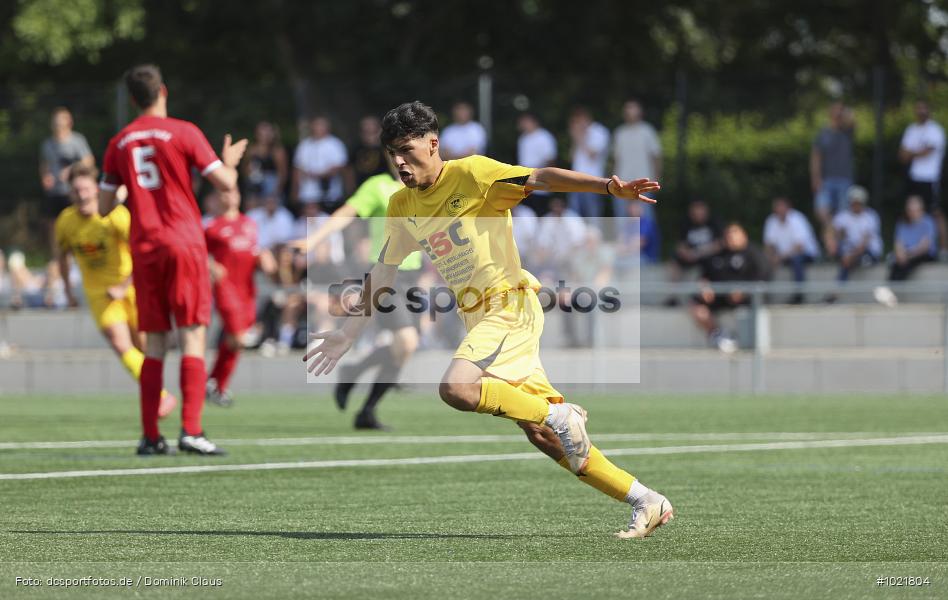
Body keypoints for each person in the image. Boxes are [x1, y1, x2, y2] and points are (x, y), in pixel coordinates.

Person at [304, 101, 673, 539]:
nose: (399, 162)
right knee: (542, 434)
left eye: (407, 149)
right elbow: (382, 272)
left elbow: (540, 177)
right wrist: (348, 332)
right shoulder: (402, 204)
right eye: (392, 153)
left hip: (509, 305)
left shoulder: (473, 174)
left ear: (433, 143)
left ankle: (562, 416)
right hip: (479, 320)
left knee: (457, 387)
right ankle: (646, 500)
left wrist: (608, 189)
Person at [99, 63, 247, 456]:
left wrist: (132, 191)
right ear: (162, 91)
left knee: (155, 344)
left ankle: (150, 436)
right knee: (192, 336)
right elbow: (226, 183)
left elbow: (102, 205)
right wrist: (229, 160)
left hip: (145, 248)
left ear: (132, 99)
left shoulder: (119, 142)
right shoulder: (184, 132)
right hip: (184, 243)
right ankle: (192, 431)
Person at [292, 158, 422, 430]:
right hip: (386, 274)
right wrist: (313, 240)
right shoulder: (379, 186)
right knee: (406, 343)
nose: (400, 158)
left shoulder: (426, 186)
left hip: (413, 275)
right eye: (394, 151)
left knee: (403, 350)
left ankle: (361, 395)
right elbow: (345, 213)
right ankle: (359, 387)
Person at [56, 163, 179, 416]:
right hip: (100, 294)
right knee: (121, 344)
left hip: (131, 287)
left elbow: (141, 254)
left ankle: (156, 395)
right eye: (77, 190)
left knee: (144, 347)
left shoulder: (116, 215)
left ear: (96, 190)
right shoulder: (66, 221)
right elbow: (61, 256)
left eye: (86, 189)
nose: (82, 195)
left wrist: (124, 286)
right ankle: (162, 397)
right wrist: (67, 290)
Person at [204, 187, 277, 407]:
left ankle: (215, 385)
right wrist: (211, 265)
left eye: (233, 192)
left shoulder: (249, 224)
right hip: (226, 288)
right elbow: (197, 252)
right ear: (217, 198)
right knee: (237, 337)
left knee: (235, 343)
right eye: (224, 193)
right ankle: (213, 384)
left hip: (247, 290)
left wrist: (264, 259)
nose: (230, 196)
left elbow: (255, 251)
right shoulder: (212, 227)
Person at [690, 223, 770, 353]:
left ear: (743, 236)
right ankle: (719, 334)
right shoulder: (718, 254)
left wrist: (744, 292)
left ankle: (747, 342)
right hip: (720, 296)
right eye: (728, 235)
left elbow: (763, 278)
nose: (730, 238)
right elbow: (704, 276)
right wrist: (705, 287)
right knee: (696, 306)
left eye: (734, 234)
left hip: (747, 298)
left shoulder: (754, 254)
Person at [39, 107, 95, 253]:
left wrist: (70, 171)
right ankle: (57, 256)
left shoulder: (77, 140)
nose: (57, 126)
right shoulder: (47, 144)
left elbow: (89, 161)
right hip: (55, 192)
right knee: (53, 225)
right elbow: (45, 164)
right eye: (55, 123)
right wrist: (45, 177)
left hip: (73, 192)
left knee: (76, 222)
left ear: (69, 123)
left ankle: (79, 253)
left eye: (60, 123)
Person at [873, 195, 938, 308]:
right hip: (906, 255)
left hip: (922, 254)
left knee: (906, 264)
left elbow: (925, 245)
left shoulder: (928, 222)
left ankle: (890, 290)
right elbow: (898, 243)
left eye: (914, 210)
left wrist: (908, 255)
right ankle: (889, 291)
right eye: (909, 210)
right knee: (895, 263)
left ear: (921, 209)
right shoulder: (902, 223)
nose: (911, 213)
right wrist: (900, 254)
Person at [899, 100, 946, 252]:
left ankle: (944, 248)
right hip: (914, 177)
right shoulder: (911, 129)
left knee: (935, 212)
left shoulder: (935, 130)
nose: (921, 111)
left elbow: (927, 152)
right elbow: (902, 155)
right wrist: (918, 152)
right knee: (912, 212)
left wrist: (912, 152)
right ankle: (913, 247)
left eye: (924, 108)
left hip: (930, 178)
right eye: (918, 108)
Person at [810, 102, 855, 248]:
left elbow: (853, 119)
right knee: (822, 213)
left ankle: (840, 247)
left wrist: (844, 113)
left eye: (840, 111)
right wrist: (816, 178)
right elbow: (816, 158)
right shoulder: (823, 134)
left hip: (844, 179)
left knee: (843, 217)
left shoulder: (847, 130)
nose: (837, 114)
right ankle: (832, 245)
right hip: (826, 180)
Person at [762, 197, 820, 304]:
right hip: (785, 256)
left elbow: (800, 246)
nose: (779, 210)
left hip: (806, 254)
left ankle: (799, 294)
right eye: (777, 207)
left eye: (781, 207)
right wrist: (770, 257)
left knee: (796, 259)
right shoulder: (771, 220)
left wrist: (779, 257)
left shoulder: (797, 219)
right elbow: (769, 245)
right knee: (762, 261)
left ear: (788, 208)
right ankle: (763, 294)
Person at [666, 200, 723, 305]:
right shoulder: (686, 223)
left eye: (700, 211)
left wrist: (698, 253)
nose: (698, 215)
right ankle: (672, 296)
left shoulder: (714, 222)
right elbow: (680, 245)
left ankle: (704, 298)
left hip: (708, 256)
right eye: (695, 212)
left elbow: (719, 244)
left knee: (712, 264)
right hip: (690, 256)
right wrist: (686, 254)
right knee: (674, 262)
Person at [612, 99, 661, 220]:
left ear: (639, 112)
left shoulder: (647, 131)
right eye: (628, 109)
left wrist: (657, 178)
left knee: (646, 218)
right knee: (621, 219)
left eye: (632, 108)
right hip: (622, 183)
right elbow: (616, 160)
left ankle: (648, 240)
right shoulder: (619, 133)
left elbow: (656, 156)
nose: (630, 112)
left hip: (643, 182)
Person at [292, 116, 348, 211]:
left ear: (327, 127)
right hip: (308, 194)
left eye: (321, 125)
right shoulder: (304, 145)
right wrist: (295, 192)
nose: (318, 128)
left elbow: (340, 167)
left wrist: (318, 175)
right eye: (316, 125)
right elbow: (297, 169)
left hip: (330, 194)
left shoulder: (335, 144)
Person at [830, 185, 882, 284]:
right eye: (854, 202)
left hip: (868, 252)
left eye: (858, 203)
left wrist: (850, 256)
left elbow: (864, 244)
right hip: (850, 251)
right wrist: (832, 243)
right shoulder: (843, 216)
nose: (856, 205)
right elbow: (831, 231)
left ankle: (836, 291)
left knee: (850, 261)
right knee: (847, 257)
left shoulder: (870, 217)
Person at [567, 107, 610, 224]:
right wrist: (576, 138)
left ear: (584, 119)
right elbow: (571, 157)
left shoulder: (599, 132)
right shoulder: (579, 135)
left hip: (593, 180)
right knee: (574, 216)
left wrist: (579, 136)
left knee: (593, 216)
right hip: (575, 180)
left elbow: (592, 154)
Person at [516, 112, 557, 215]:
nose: (523, 124)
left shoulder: (544, 137)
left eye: (525, 121)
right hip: (525, 183)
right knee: (527, 213)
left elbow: (550, 160)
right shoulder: (523, 139)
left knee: (540, 214)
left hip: (540, 183)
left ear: (533, 122)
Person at [242, 121, 288, 202]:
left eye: (267, 132)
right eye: (262, 133)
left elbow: (282, 173)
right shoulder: (251, 150)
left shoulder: (277, 151)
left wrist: (276, 191)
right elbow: (245, 169)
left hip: (272, 185)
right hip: (254, 184)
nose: (264, 135)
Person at [347, 115, 389, 188]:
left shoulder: (386, 148)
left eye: (372, 132)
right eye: (366, 132)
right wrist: (351, 188)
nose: (369, 136)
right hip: (361, 188)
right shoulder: (357, 148)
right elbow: (349, 170)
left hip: (382, 187)